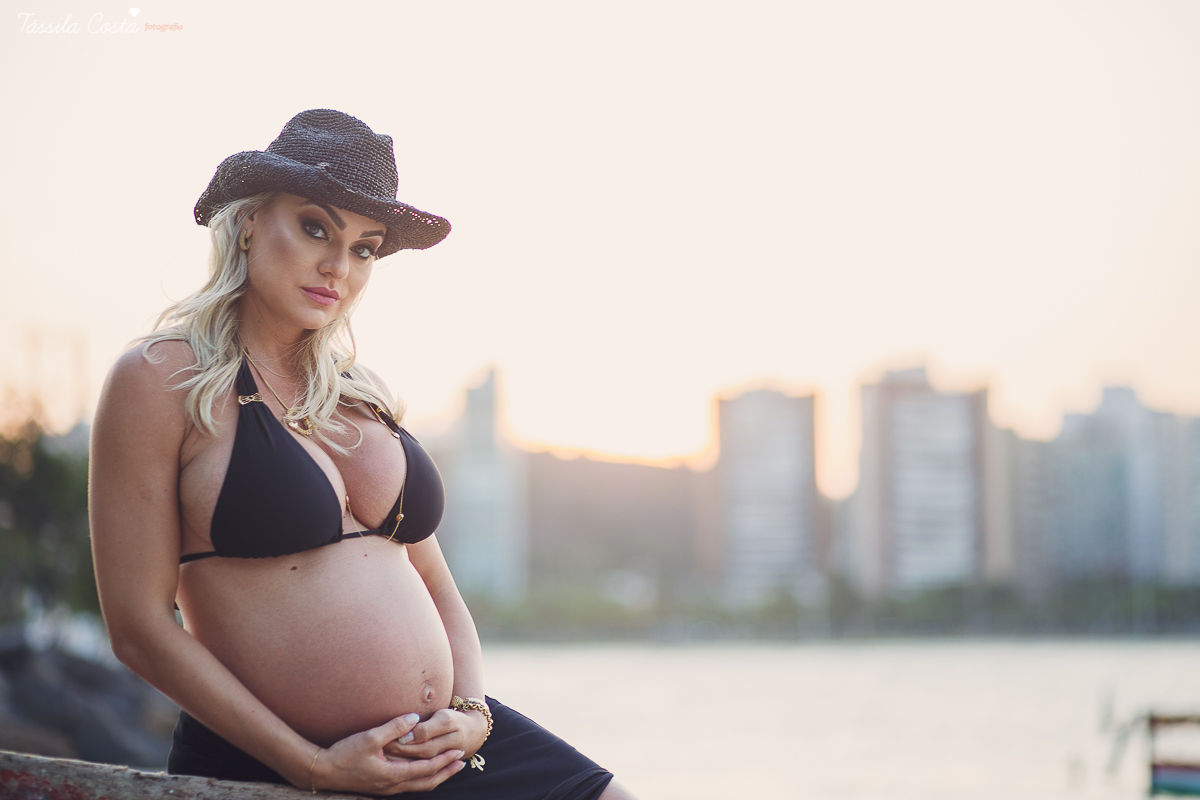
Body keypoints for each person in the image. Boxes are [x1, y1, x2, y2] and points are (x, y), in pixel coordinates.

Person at [89, 109, 634, 799]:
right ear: (252, 219)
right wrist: (308, 765)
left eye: (365, 248)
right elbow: (137, 628)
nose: (337, 267)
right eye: (315, 228)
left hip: (447, 748)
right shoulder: (159, 379)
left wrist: (472, 715)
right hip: (283, 760)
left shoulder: (358, 394)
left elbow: (438, 588)